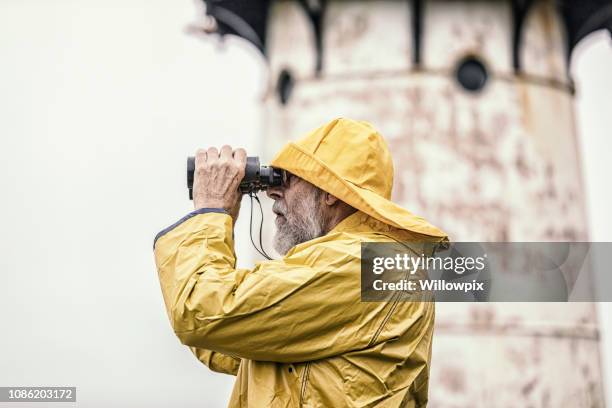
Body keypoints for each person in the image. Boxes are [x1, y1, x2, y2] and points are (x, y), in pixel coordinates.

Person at [153, 118, 448, 407]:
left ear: (331, 192)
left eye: (289, 179)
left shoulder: (364, 265)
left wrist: (211, 210)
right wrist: (221, 220)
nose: (272, 192)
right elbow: (218, 338)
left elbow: (204, 311)